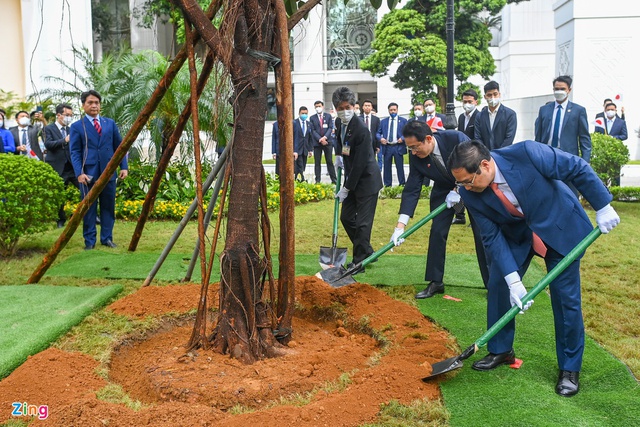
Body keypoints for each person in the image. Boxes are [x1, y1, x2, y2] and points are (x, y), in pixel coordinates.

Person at [448, 139, 620, 397]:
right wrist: (513, 281)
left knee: (565, 300)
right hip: (517, 236)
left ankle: (569, 368)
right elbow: (491, 238)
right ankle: (501, 349)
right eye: (460, 184)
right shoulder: (470, 195)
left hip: (559, 226)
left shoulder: (527, 153)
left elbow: (576, 167)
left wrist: (603, 205)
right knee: (498, 284)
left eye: (468, 181)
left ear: (485, 165)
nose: (465, 188)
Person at [390, 121, 489, 298]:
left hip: (473, 187)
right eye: (409, 148)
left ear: (428, 139)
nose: (413, 152)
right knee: (437, 231)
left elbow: (476, 164)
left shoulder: (456, 139)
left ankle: (492, 283)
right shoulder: (416, 156)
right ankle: (436, 281)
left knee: (481, 233)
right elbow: (412, 188)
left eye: (415, 147)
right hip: (444, 191)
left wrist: (459, 189)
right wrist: (400, 226)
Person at [69, 90, 128, 250]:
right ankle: (89, 241)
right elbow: (74, 152)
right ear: (83, 105)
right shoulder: (77, 127)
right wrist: (79, 173)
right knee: (89, 208)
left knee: (108, 207)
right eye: (90, 102)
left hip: (109, 173)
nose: (94, 105)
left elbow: (120, 147)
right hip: (88, 174)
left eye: (96, 102)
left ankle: (107, 238)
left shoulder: (110, 123)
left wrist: (124, 166)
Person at [333, 87, 383, 272]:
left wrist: (346, 188)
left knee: (363, 223)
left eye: (347, 107)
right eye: (340, 107)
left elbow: (360, 163)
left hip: (367, 181)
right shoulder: (339, 123)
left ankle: (359, 261)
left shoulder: (361, 129)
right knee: (346, 218)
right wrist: (339, 155)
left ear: (354, 106)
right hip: (352, 177)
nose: (344, 111)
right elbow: (340, 142)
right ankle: (367, 250)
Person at [534, 75, 591, 163]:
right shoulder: (544, 109)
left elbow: (584, 138)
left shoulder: (578, 110)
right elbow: (538, 135)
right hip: (546, 155)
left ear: (569, 90)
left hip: (568, 157)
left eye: (562, 89)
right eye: (556, 89)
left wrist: (585, 161)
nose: (559, 91)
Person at [44, 104, 78, 228]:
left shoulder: (71, 129)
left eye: (71, 115)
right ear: (58, 115)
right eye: (67, 115)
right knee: (59, 195)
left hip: (73, 168)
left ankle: (90, 214)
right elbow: (48, 144)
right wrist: (64, 140)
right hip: (58, 167)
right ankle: (60, 219)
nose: (69, 118)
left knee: (86, 189)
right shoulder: (49, 129)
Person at [474, 81, 517, 150]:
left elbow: (509, 138)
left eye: (495, 94)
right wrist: (486, 153)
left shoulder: (510, 114)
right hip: (485, 156)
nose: (492, 97)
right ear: (485, 97)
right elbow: (477, 138)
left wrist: (497, 154)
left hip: (503, 155)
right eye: (489, 95)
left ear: (499, 94)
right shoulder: (479, 116)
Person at [376, 102, 408, 187]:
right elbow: (377, 133)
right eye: (391, 110)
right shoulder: (383, 122)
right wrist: (380, 139)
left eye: (394, 110)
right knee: (387, 167)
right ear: (388, 111)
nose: (393, 111)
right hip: (387, 147)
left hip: (398, 146)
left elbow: (407, 132)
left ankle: (402, 184)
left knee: (400, 167)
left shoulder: (403, 121)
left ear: (397, 110)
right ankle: (387, 185)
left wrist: (402, 138)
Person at [309, 100, 337, 184]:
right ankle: (317, 180)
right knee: (317, 162)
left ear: (323, 106)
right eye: (316, 106)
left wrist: (324, 138)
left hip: (328, 142)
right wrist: (320, 139)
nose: (318, 108)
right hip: (317, 143)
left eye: (319, 106)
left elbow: (330, 128)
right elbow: (313, 130)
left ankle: (334, 179)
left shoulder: (328, 116)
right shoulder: (312, 118)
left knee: (329, 161)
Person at [360, 100, 381, 170]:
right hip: (361, 144)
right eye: (365, 106)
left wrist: (378, 146)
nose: (367, 107)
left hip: (372, 144)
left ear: (371, 107)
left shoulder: (376, 119)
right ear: (362, 107)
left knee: (371, 162)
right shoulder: (358, 119)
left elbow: (378, 132)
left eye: (369, 106)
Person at [293, 106, 312, 182]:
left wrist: (310, 150)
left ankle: (298, 179)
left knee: (303, 165)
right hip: (297, 149)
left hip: (305, 149)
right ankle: (302, 180)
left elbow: (310, 138)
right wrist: (294, 150)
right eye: (302, 113)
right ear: (299, 113)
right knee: (299, 165)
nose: (304, 115)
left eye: (306, 113)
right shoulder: (294, 123)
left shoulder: (309, 124)